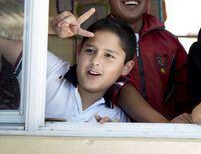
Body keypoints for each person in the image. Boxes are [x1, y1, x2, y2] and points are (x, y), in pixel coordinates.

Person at [99, 0, 190, 122]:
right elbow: (118, 88)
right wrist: (165, 127)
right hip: (113, 131)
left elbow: (186, 91)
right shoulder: (96, 39)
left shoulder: (169, 42)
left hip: (166, 135)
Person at [0, 12, 135, 123]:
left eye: (109, 56)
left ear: (126, 68)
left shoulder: (117, 119)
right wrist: (51, 25)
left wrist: (113, 137)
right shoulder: (49, 70)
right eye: (90, 51)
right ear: (79, 51)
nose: (95, 61)